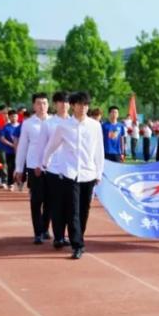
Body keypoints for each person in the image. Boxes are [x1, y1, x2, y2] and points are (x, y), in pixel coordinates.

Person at [41, 91, 104, 260]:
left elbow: (99, 151)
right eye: (80, 104)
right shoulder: (64, 126)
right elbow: (52, 145)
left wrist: (99, 172)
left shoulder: (95, 126)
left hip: (88, 173)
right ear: (73, 106)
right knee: (73, 210)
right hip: (70, 174)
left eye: (86, 105)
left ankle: (78, 236)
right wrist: (45, 162)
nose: (83, 108)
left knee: (84, 210)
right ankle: (77, 245)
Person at [33, 92, 71, 247]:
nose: (64, 105)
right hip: (53, 169)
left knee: (69, 205)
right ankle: (58, 237)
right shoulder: (48, 123)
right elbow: (41, 146)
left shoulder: (74, 123)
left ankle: (66, 234)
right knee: (56, 204)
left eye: (66, 102)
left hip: (71, 169)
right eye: (60, 102)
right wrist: (39, 164)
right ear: (55, 104)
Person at [14, 92, 52, 244]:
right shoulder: (28, 124)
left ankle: (45, 228)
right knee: (36, 200)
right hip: (33, 166)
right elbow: (22, 146)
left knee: (50, 200)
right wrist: (19, 168)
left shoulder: (54, 122)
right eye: (38, 103)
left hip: (52, 167)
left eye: (44, 103)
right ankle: (38, 232)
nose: (42, 106)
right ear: (33, 105)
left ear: (48, 105)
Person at [0, 110, 21, 190]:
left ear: (18, 117)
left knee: (19, 167)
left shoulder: (21, 126)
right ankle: (11, 183)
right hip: (9, 151)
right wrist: (11, 145)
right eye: (12, 116)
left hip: (20, 151)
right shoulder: (6, 127)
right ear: (9, 117)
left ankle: (19, 181)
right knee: (10, 167)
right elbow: (2, 138)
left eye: (15, 116)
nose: (14, 118)